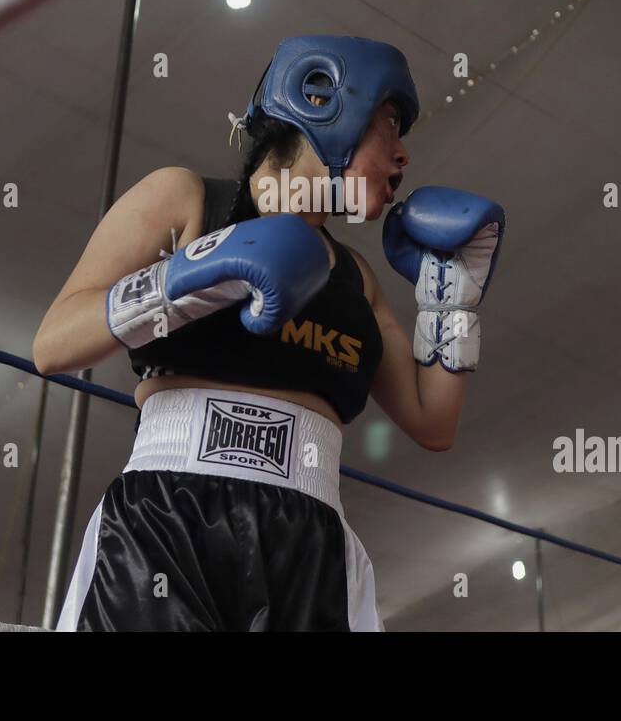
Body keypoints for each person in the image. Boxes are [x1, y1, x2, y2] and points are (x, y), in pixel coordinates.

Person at [32, 35, 505, 630]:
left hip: (309, 540)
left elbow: (434, 423)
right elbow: (52, 345)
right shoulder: (187, 198)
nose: (404, 154)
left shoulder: (356, 276)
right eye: (391, 121)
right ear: (324, 101)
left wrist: (450, 299)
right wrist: (187, 276)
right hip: (166, 520)